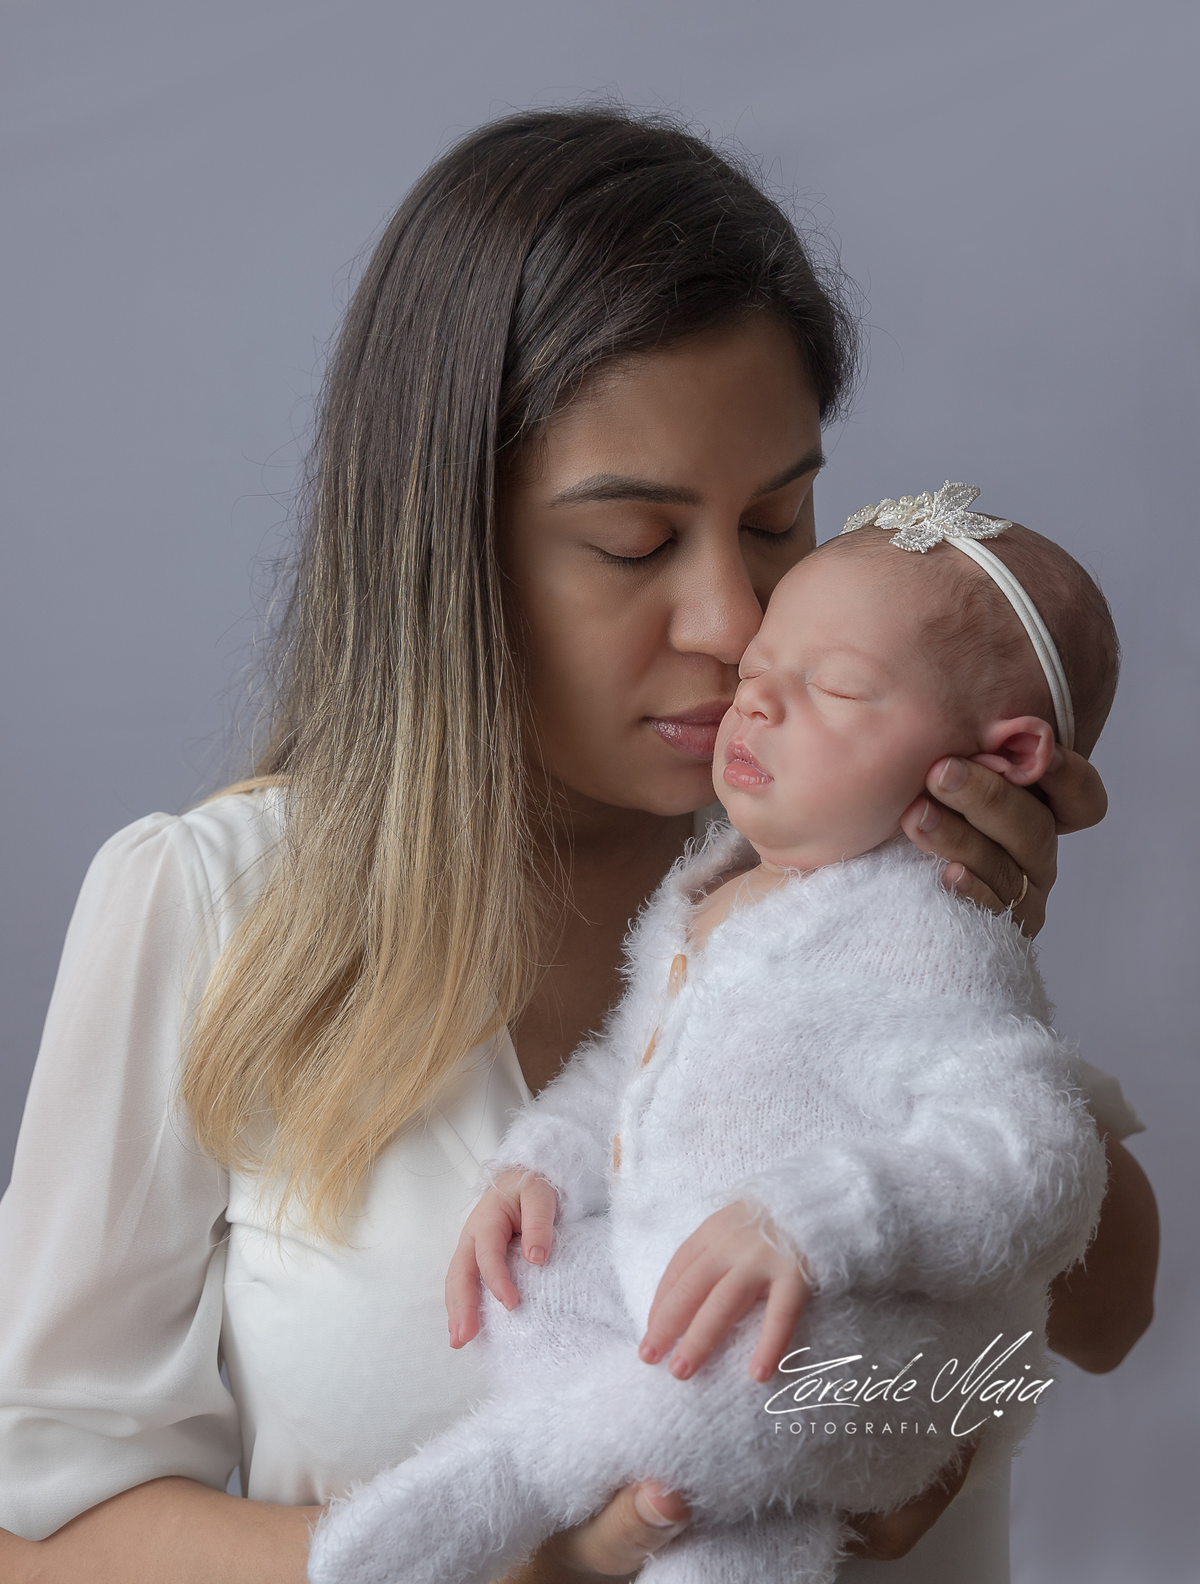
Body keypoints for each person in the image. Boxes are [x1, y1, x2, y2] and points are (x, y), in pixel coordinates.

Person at [0, 109, 1156, 1584]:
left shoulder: (852, 859)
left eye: (780, 522)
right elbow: (38, 1536)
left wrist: (980, 962)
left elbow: (1107, 1317)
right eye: (633, 544)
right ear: (446, 543)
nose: (734, 622)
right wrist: (530, 1563)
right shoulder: (211, 908)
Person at [306, 503, 1116, 1584]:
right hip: (685, 1308)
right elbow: (629, 1072)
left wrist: (817, 1218)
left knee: (757, 1370)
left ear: (994, 759)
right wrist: (542, 1162)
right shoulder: (714, 887)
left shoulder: (933, 931)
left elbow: (1041, 1156)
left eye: (833, 688)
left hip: (850, 1336)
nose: (753, 693)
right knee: (532, 1282)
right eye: (762, 668)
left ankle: (519, 1469)